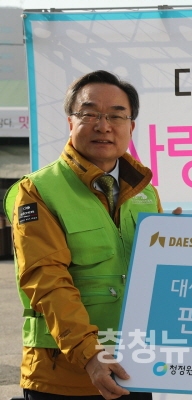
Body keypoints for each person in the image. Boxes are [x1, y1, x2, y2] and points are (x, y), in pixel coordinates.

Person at [3, 70, 181, 400]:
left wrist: (180, 247)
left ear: (131, 127)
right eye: (90, 114)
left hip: (133, 368)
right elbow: (47, 280)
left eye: (116, 115)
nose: (103, 126)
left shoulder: (145, 192)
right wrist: (90, 355)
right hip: (63, 378)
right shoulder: (38, 190)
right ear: (70, 122)